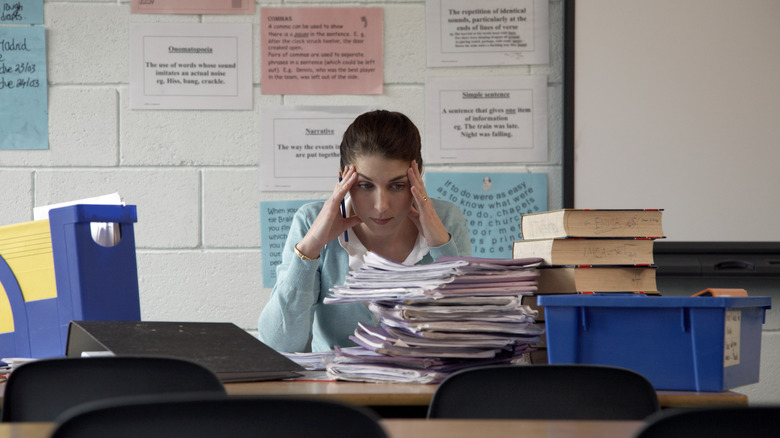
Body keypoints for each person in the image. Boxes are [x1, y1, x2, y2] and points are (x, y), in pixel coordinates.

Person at [258, 110, 472, 352]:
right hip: (336, 387)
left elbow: (470, 337)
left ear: (417, 176)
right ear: (343, 179)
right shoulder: (310, 220)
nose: (381, 206)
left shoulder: (445, 219)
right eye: (365, 185)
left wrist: (443, 248)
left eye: (397, 185)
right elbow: (278, 345)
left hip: (425, 387)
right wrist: (311, 248)